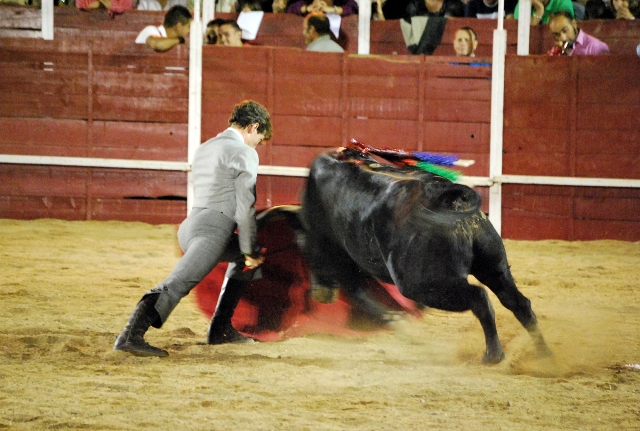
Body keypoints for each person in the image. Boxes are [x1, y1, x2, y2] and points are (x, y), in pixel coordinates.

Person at [114, 100, 272, 358]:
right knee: (177, 284)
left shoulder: (206, 148)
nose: (258, 146)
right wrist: (251, 248)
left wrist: (247, 253)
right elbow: (245, 207)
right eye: (260, 139)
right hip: (213, 231)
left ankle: (220, 329)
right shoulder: (244, 152)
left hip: (191, 227)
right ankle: (129, 336)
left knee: (242, 259)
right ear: (253, 127)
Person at [288, 0, 360, 17]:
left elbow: (354, 9)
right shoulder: (306, 2)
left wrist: (332, 9)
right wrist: (307, 8)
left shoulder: (343, 2)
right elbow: (291, 10)